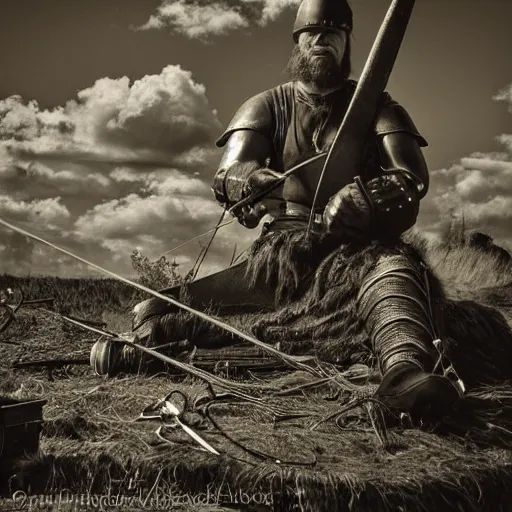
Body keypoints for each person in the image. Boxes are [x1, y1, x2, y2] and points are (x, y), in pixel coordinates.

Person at [124, 0, 463, 420]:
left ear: (346, 43)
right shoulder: (266, 106)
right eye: (313, 34)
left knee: (393, 275)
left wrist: (365, 199)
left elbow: (410, 179)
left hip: (360, 251)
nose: (322, 41)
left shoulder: (377, 105)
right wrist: (247, 182)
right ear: (297, 42)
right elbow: (227, 173)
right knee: (158, 313)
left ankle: (404, 376)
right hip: (285, 256)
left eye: (334, 34)